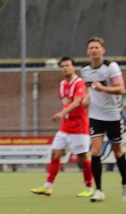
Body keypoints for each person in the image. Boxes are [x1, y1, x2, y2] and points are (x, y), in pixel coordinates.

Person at [31, 57, 94, 197]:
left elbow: (77, 102)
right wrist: (64, 115)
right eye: (63, 66)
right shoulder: (62, 84)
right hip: (65, 127)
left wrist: (62, 113)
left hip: (79, 127)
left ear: (74, 67)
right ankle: (48, 187)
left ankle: (89, 188)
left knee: (83, 157)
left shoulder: (79, 83)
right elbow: (65, 102)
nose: (65, 68)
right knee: (55, 153)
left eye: (68, 65)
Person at [80, 36, 126, 202]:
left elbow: (121, 89)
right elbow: (88, 88)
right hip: (95, 115)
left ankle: (125, 185)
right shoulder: (85, 69)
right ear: (87, 51)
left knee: (118, 151)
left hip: (113, 114)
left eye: (96, 47)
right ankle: (99, 190)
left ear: (103, 50)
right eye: (91, 48)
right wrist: (86, 98)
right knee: (96, 152)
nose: (94, 50)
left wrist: (102, 89)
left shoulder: (111, 67)